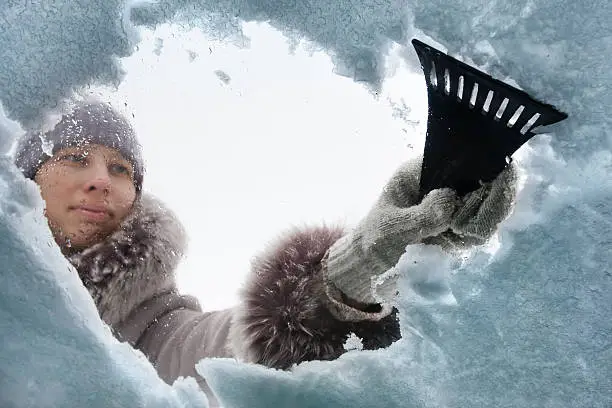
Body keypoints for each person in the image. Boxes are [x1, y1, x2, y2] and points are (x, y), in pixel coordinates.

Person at [14, 101, 517, 405]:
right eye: (76, 158)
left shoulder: (152, 335)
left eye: (121, 169)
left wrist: (358, 266)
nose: (101, 180)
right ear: (23, 180)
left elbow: (224, 345)